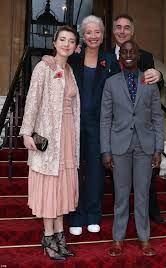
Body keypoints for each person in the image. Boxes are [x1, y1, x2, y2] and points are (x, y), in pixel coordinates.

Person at [42, 15, 119, 236]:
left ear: (102, 35)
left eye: (97, 32)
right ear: (82, 36)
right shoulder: (73, 58)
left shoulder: (110, 61)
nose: (93, 36)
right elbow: (56, 64)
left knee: (95, 171)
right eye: (88, 32)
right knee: (73, 170)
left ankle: (93, 214)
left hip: (99, 125)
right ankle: (75, 215)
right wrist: (49, 59)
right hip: (72, 123)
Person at [19, 25, 80, 260]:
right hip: (48, 136)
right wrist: (26, 133)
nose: (66, 44)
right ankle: (48, 237)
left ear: (75, 47)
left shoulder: (71, 72)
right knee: (49, 187)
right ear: (54, 43)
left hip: (67, 135)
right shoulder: (43, 68)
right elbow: (32, 100)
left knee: (62, 187)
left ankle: (59, 235)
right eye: (62, 39)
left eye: (71, 41)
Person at [100, 40, 164, 257]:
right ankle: (118, 239)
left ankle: (144, 238)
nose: (128, 55)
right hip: (119, 147)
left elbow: (157, 118)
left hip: (145, 148)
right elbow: (105, 119)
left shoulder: (150, 82)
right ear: (120, 57)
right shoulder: (111, 83)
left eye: (132, 52)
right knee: (121, 195)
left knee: (143, 196)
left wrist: (158, 148)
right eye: (124, 52)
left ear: (138, 55)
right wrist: (105, 150)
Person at [112, 13, 166, 223]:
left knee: (147, 178)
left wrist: (159, 75)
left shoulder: (145, 57)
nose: (122, 31)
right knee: (119, 181)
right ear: (114, 30)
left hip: (142, 127)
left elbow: (155, 87)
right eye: (119, 27)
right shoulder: (104, 56)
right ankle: (120, 220)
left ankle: (151, 211)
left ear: (132, 31)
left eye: (127, 27)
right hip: (118, 126)